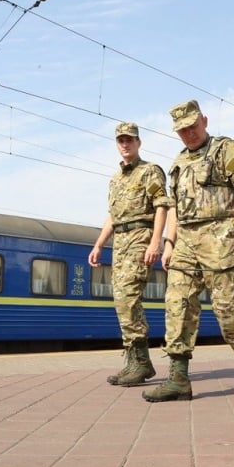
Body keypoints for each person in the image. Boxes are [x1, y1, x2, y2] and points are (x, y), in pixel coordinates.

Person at [142, 99, 234, 402]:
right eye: (182, 130)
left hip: (222, 238)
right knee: (177, 304)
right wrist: (169, 243)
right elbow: (173, 208)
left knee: (228, 310)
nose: (188, 134)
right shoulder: (179, 162)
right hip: (185, 241)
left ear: (204, 121)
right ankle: (178, 378)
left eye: (192, 127)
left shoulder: (226, 150)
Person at [88, 122, 171, 386]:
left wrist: (155, 242)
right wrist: (99, 244)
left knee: (128, 296)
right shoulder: (115, 179)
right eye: (121, 140)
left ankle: (142, 363)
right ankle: (134, 361)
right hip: (120, 242)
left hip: (140, 238)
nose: (125, 144)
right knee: (121, 299)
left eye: (130, 140)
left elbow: (161, 206)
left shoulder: (150, 171)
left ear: (139, 143)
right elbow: (112, 216)